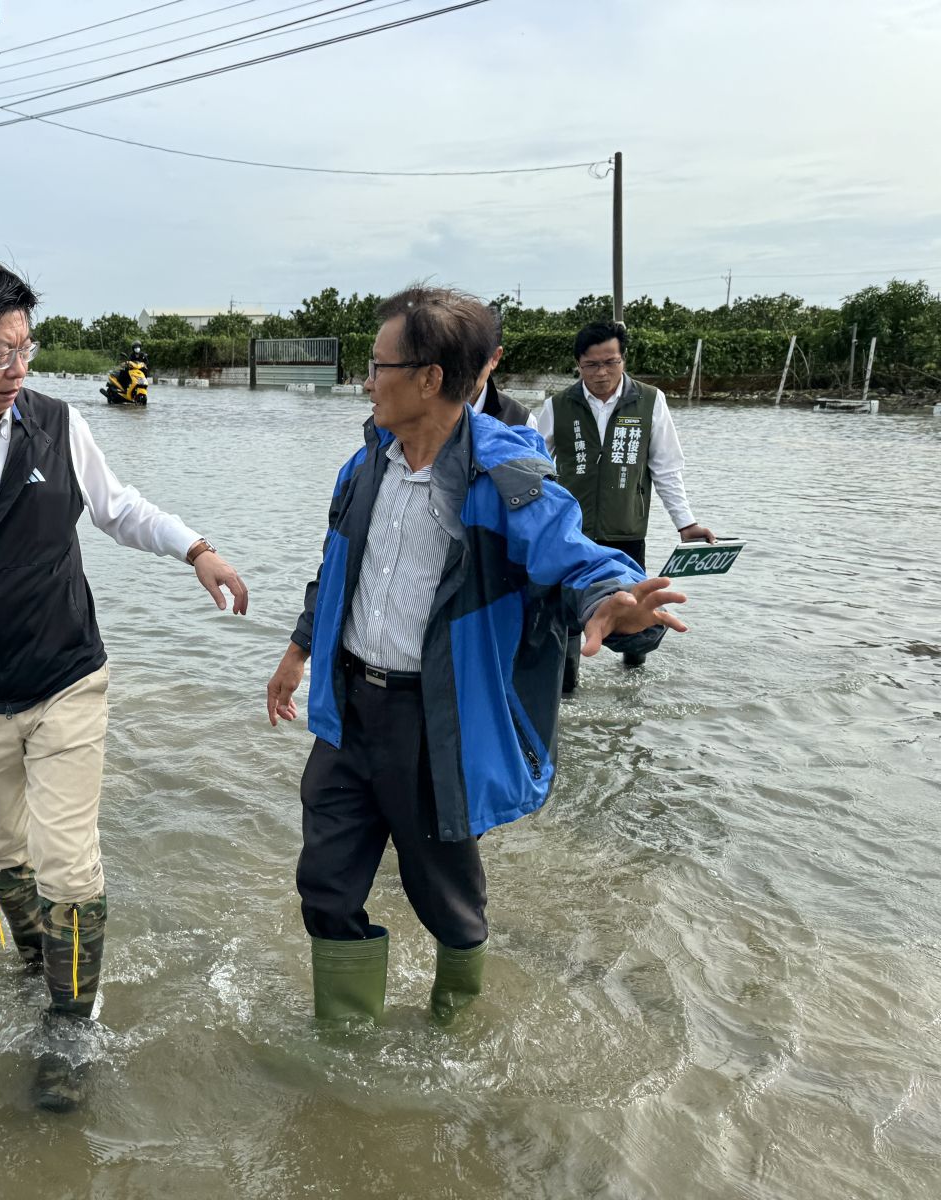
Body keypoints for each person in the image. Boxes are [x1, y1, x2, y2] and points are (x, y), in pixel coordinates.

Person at [0, 259, 247, 1112]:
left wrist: (196, 549)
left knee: (68, 861)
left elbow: (118, 507)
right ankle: (40, 965)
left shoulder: (57, 425)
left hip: (67, 678)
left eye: (26, 348)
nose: (16, 369)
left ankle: (68, 1029)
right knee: (4, 856)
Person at [264, 286, 687, 1028]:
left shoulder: (506, 477)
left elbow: (574, 556)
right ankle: (345, 1040)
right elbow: (336, 571)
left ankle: (454, 1019)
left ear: (429, 378)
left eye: (377, 365)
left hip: (435, 721)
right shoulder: (364, 464)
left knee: (446, 897)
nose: (366, 382)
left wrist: (611, 597)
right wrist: (298, 653)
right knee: (325, 886)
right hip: (349, 712)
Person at [536, 321, 714, 689]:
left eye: (610, 362)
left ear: (623, 359)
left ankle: (634, 689)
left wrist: (686, 523)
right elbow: (534, 466)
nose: (601, 373)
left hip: (627, 531)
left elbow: (665, 467)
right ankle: (565, 691)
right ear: (578, 364)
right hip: (573, 535)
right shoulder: (557, 406)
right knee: (569, 612)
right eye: (591, 365)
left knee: (637, 609)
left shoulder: (650, 400)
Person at [470, 305, 538, 429]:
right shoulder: (426, 411)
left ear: (495, 357)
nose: (461, 368)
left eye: (475, 357)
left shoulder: (521, 421)